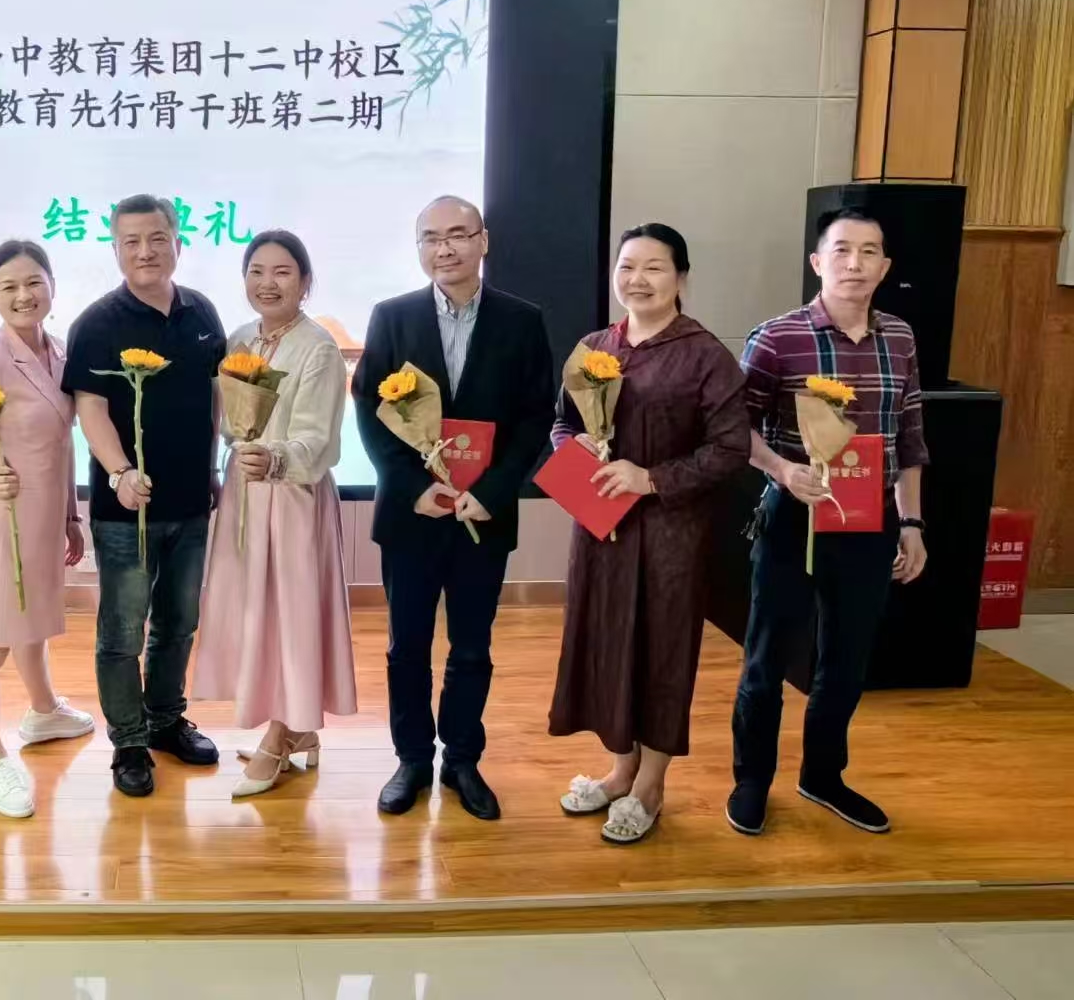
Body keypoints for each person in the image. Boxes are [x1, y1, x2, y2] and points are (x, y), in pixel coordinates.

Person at [728, 208, 928, 838]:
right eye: (841, 250)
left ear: (885, 267)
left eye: (869, 252)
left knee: (846, 658)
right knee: (766, 658)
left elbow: (910, 436)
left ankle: (823, 775)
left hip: (870, 519)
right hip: (793, 514)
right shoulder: (776, 337)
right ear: (818, 262)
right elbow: (735, 429)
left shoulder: (900, 337)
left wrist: (912, 521)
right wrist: (783, 470)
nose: (854, 263)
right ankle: (751, 781)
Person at [352, 195, 553, 821]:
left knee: (472, 647)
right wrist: (413, 486)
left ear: (483, 241)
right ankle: (412, 758)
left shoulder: (522, 320)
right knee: (405, 647)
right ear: (419, 248)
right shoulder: (392, 317)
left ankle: (462, 758)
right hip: (412, 514)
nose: (446, 248)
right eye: (432, 238)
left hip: (482, 516)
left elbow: (533, 417)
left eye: (459, 234)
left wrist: (490, 492)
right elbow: (370, 410)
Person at [548, 224, 750, 843]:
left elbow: (731, 448)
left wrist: (651, 478)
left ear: (681, 278)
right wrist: (575, 449)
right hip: (601, 528)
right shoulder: (594, 346)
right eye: (627, 266)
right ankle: (619, 770)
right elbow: (561, 423)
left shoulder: (705, 355)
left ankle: (651, 785)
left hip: (670, 535)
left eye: (654, 268)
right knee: (610, 643)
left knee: (663, 650)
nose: (637, 279)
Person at [63, 194, 227, 798]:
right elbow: (90, 409)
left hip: (191, 502)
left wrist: (212, 467)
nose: (146, 251)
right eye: (131, 241)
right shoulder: (97, 323)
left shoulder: (202, 311)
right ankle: (128, 742)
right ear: (115, 250)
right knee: (123, 632)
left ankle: (165, 720)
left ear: (177, 242)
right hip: (123, 510)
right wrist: (120, 472)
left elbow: (214, 397)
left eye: (157, 238)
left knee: (179, 622)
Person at [193, 230, 358, 798]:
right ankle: (297, 728)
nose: (268, 283)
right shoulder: (240, 339)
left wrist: (277, 457)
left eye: (283, 272)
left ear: (305, 283)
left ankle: (281, 734)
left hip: (291, 498)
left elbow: (318, 437)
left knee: (293, 618)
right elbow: (229, 421)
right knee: (257, 617)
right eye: (257, 271)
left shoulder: (318, 348)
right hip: (244, 496)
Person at [0, 240, 97, 818]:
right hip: (2, 517)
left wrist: (70, 515)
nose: (23, 295)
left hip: (44, 516)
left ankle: (43, 710)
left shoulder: (61, 353)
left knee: (32, 622)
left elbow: (63, 441)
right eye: (8, 286)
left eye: (34, 282)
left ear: (52, 287)